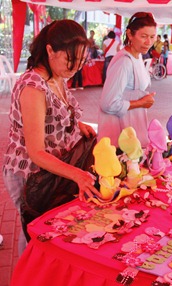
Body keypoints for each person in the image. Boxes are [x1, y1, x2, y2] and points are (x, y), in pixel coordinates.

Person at [2, 19, 101, 253]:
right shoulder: (33, 87)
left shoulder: (56, 76)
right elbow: (36, 152)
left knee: (46, 230)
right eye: (71, 60)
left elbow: (54, 114)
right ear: (50, 50)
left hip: (52, 170)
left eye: (80, 62)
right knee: (34, 232)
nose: (75, 68)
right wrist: (78, 174)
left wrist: (78, 125)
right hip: (30, 174)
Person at [98, 12, 157, 147]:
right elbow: (108, 103)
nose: (148, 42)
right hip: (119, 137)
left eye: (152, 37)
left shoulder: (137, 56)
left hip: (130, 132)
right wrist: (140, 103)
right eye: (143, 36)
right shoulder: (124, 62)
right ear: (130, 34)